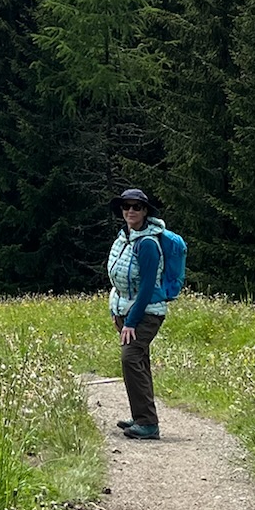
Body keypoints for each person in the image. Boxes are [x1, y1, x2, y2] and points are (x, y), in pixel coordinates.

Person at [106, 187, 178, 441]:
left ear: (146, 211)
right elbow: (120, 280)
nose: (131, 211)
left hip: (146, 313)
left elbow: (148, 286)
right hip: (127, 311)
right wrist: (116, 311)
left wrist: (132, 322)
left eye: (137, 206)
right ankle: (141, 418)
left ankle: (148, 423)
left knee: (130, 358)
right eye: (126, 206)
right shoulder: (125, 237)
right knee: (139, 361)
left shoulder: (147, 243)